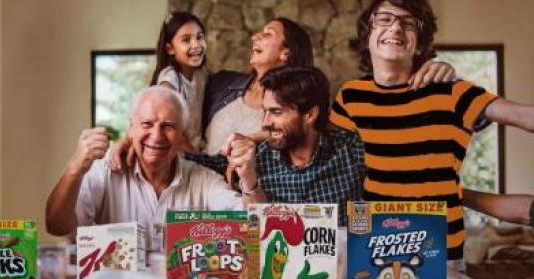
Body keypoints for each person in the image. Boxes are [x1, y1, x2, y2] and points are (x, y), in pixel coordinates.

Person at [330, 0, 534, 260]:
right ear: (367, 35)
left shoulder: (452, 89)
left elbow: (522, 115)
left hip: (440, 252)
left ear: (420, 42)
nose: (395, 28)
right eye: (384, 19)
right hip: (375, 245)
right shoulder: (349, 97)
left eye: (408, 23)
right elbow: (330, 166)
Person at [108, 17, 454, 169]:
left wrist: (434, 72)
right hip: (203, 195)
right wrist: (132, 137)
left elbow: (339, 128)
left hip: (257, 203)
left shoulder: (303, 107)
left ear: (286, 54)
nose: (256, 38)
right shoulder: (222, 84)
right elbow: (165, 102)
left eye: (267, 34)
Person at [45, 86, 243, 240]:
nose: (156, 137)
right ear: (131, 129)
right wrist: (75, 168)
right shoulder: (106, 171)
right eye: (147, 124)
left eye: (168, 126)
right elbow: (56, 226)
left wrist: (249, 177)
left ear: (181, 134)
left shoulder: (204, 180)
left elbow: (250, 225)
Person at [187, 65, 364, 226]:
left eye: (276, 112)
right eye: (265, 111)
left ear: (310, 114)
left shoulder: (350, 150)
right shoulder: (254, 158)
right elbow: (194, 163)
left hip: (341, 258)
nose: (265, 122)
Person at [149, 11, 208, 152]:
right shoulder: (170, 78)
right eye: (186, 40)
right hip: (176, 156)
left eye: (199, 37)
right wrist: (199, 160)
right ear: (170, 49)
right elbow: (169, 130)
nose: (196, 45)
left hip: (196, 151)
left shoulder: (201, 73)